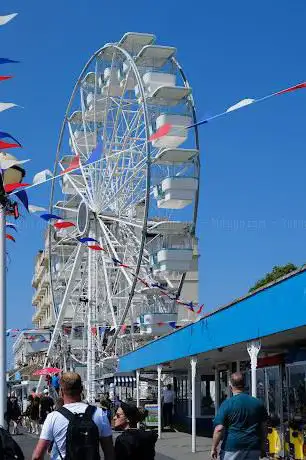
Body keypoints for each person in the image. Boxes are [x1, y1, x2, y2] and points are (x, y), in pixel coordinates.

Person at [32, 372, 114, 460]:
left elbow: (37, 456)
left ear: (61, 391)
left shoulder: (53, 417)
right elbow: (109, 452)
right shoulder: (99, 413)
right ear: (81, 389)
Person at [211, 372, 268, 460]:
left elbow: (219, 429)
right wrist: (263, 447)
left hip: (232, 448)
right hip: (253, 447)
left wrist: (214, 448)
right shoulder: (258, 403)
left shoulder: (227, 404)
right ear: (244, 385)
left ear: (230, 386)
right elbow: (264, 428)